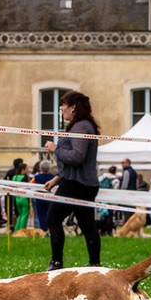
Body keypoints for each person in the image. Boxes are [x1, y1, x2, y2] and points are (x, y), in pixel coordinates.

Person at [44, 90, 101, 268]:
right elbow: (76, 164)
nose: (61, 109)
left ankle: (56, 262)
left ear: (73, 107)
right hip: (81, 183)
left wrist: (55, 149)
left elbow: (77, 157)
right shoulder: (82, 126)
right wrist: (57, 179)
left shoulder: (81, 127)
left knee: (53, 219)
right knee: (87, 226)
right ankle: (95, 265)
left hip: (77, 185)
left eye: (63, 105)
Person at [30, 160, 53, 231]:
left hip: (39, 198)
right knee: (51, 215)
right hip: (50, 198)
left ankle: (43, 230)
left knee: (41, 215)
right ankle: (51, 229)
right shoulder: (53, 177)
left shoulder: (36, 177)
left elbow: (31, 185)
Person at [12, 162, 31, 231]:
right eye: (27, 169)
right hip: (24, 198)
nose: (28, 170)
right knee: (25, 215)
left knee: (19, 215)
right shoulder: (24, 177)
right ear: (23, 169)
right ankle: (22, 230)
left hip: (17, 199)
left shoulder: (14, 177)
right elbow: (27, 188)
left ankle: (16, 230)